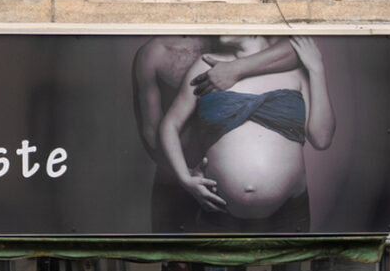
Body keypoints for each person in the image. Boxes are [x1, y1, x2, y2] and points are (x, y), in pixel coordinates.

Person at [137, 34, 336, 232]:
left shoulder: (293, 69)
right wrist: (184, 177)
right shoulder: (205, 65)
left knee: (291, 264)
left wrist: (317, 70)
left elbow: (322, 138)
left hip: (289, 213)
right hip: (219, 211)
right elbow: (169, 124)